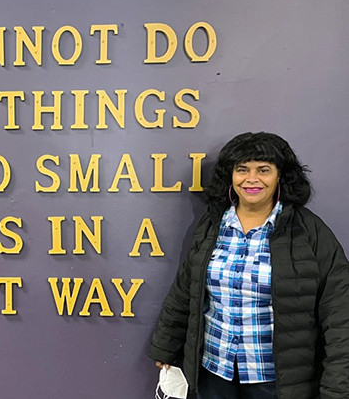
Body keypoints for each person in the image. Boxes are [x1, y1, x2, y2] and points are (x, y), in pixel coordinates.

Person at [148, 132, 349, 398]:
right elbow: (187, 288)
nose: (251, 179)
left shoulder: (309, 232)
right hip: (214, 373)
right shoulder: (211, 226)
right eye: (242, 169)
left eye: (263, 170)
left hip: (276, 381)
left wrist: (337, 387)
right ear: (230, 176)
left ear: (280, 176)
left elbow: (340, 313)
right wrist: (166, 345)